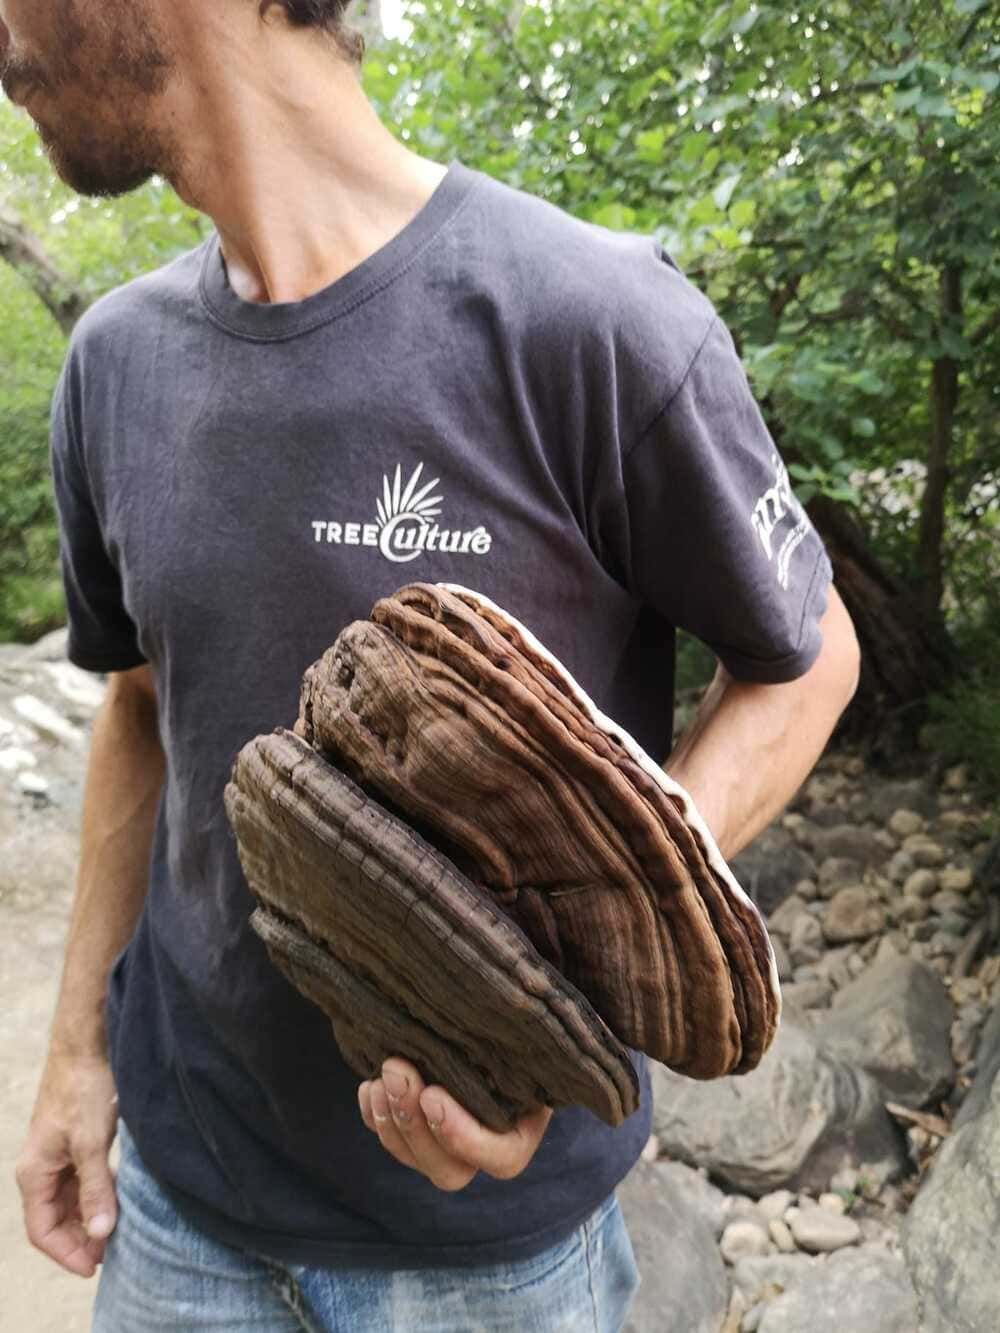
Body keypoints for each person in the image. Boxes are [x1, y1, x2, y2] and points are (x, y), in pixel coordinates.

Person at [3, 2, 861, 1329]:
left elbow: (807, 658)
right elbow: (139, 705)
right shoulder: (116, 364)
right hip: (181, 1214)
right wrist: (75, 1058)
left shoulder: (588, 318)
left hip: (491, 1266)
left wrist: (562, 976)